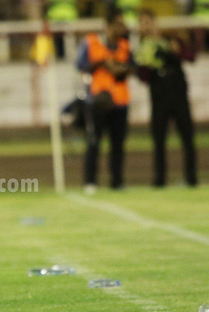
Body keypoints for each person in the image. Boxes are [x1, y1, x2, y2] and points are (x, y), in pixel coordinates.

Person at [136, 9, 197, 187]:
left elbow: (190, 56)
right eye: (142, 23)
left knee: (187, 138)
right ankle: (159, 180)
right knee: (159, 140)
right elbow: (143, 76)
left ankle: (191, 178)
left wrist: (174, 52)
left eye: (147, 22)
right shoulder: (144, 46)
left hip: (178, 95)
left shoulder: (171, 39)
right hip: (159, 97)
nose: (144, 27)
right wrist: (149, 64)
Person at [76, 8, 133, 193]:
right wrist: (103, 62)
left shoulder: (125, 45)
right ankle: (90, 182)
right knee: (94, 142)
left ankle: (117, 181)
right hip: (98, 100)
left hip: (120, 100)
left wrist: (122, 69)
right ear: (108, 26)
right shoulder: (92, 42)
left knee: (118, 144)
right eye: (118, 24)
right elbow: (80, 65)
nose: (122, 27)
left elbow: (134, 67)